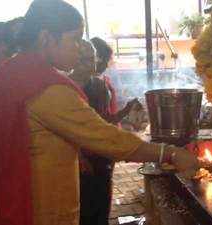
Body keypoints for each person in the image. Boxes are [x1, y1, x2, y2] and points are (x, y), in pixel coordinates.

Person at [0, 1, 199, 225]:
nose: (80, 48)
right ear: (46, 38)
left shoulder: (11, 72)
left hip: (14, 198)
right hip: (41, 212)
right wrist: (169, 153)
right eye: (74, 38)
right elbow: (107, 138)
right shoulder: (44, 87)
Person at [70, 39, 140, 225]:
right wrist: (79, 157)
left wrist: (126, 111)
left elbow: (104, 122)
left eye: (93, 59)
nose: (92, 64)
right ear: (73, 60)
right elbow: (66, 129)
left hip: (101, 155)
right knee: (84, 209)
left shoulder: (100, 86)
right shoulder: (65, 88)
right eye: (84, 59)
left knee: (101, 206)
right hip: (80, 159)